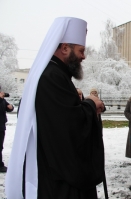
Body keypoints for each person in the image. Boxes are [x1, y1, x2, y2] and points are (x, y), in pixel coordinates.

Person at [5, 17, 105, 199]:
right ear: (65, 48)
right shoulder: (52, 77)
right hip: (59, 180)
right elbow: (70, 126)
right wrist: (91, 104)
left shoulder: (53, 74)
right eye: (81, 50)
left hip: (54, 170)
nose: (84, 56)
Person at [0, 91, 14, 172]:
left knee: (0, 146)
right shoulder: (1, 100)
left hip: (1, 126)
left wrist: (10, 107)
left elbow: (8, 108)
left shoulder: (2, 100)